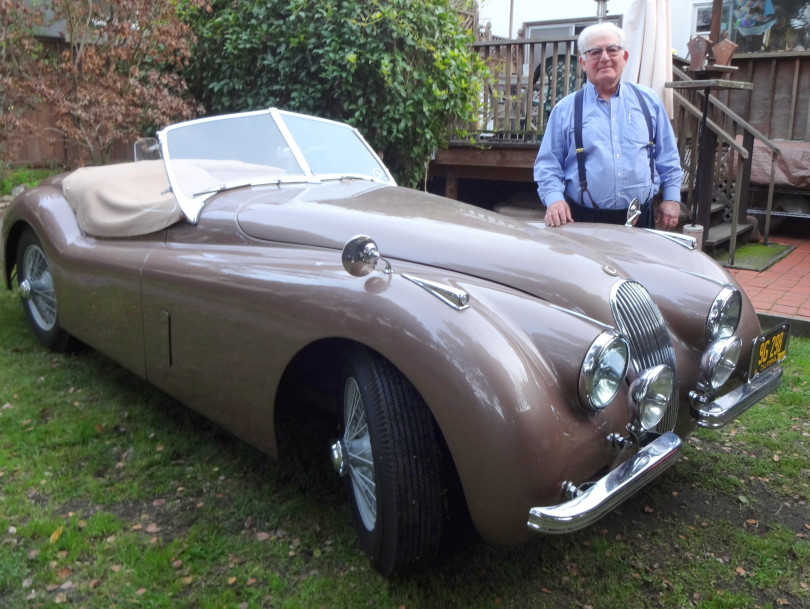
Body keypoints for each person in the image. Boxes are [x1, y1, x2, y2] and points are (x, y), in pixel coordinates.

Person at [534, 22, 683, 229]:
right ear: (583, 62)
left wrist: (672, 198)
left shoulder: (649, 101)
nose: (604, 58)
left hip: (641, 219)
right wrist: (554, 200)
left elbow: (668, 156)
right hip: (584, 222)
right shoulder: (565, 110)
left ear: (624, 58)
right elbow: (547, 166)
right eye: (594, 52)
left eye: (612, 50)